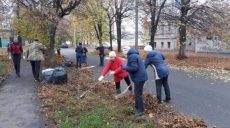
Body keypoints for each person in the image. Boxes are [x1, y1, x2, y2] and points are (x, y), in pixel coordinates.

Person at [121, 47, 148, 116]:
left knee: (138, 94)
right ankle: (136, 106)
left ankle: (141, 111)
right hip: (141, 77)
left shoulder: (132, 56)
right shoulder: (135, 55)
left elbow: (134, 68)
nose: (124, 55)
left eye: (124, 53)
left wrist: (124, 68)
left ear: (127, 53)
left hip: (139, 78)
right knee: (138, 93)